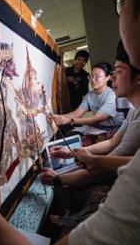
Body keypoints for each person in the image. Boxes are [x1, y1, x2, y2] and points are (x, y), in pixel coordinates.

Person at [0, 0, 140, 245]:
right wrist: (72, 136)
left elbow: (105, 138)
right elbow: (98, 131)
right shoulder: (130, 112)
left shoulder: (114, 102)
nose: (105, 80)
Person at [42, 39, 140, 189]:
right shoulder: (133, 111)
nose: (113, 77)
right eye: (91, 76)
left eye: (118, 71)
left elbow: (110, 161)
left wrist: (59, 179)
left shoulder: (115, 99)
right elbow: (111, 143)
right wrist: (71, 151)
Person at [53, 62, 124, 132]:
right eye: (91, 76)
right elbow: (76, 114)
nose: (93, 79)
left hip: (115, 130)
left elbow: (95, 119)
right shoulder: (90, 95)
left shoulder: (112, 96)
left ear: (107, 78)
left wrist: (70, 121)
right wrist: (57, 117)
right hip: (99, 127)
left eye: (97, 76)